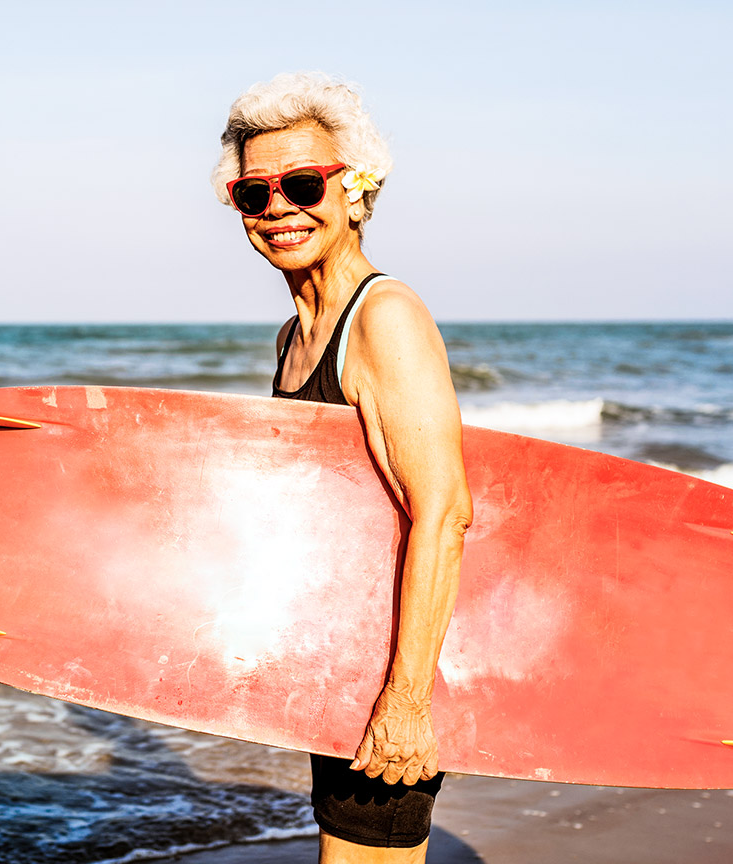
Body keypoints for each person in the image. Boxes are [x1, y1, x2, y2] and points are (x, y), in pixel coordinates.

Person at [212, 72, 474, 863]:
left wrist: (406, 703)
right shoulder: (295, 338)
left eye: (301, 183)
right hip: (347, 661)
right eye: (254, 194)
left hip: (397, 670)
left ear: (356, 189)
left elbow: (444, 512)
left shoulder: (384, 318)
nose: (278, 209)